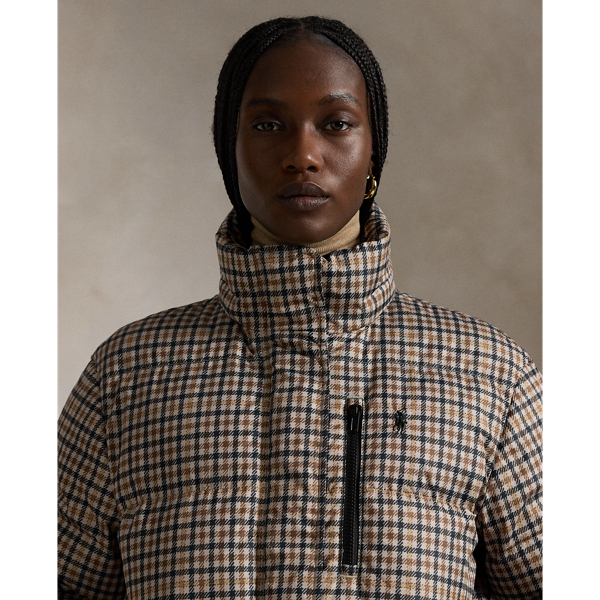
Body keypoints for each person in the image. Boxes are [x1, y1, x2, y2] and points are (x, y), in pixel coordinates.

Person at [58, 16, 542, 600]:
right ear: (229, 149)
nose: (303, 155)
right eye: (268, 125)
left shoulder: (491, 375)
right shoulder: (126, 373)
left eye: (336, 124)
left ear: (374, 152)